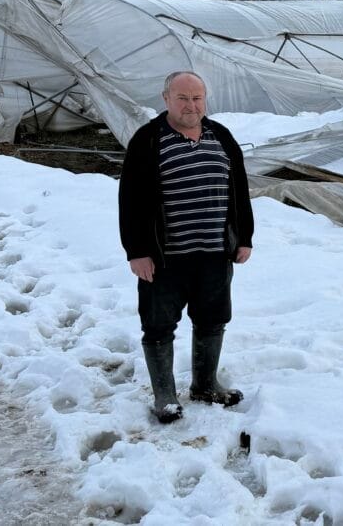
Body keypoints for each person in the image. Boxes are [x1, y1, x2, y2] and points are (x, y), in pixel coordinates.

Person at [118, 71, 254, 423]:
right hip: (165, 258)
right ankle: (165, 394)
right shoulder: (148, 141)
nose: (191, 105)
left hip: (214, 253)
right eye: (183, 98)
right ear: (166, 99)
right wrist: (137, 251)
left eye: (197, 98)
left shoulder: (220, 136)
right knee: (159, 324)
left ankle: (205, 384)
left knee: (213, 320)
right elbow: (130, 200)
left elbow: (238, 190)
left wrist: (244, 237)